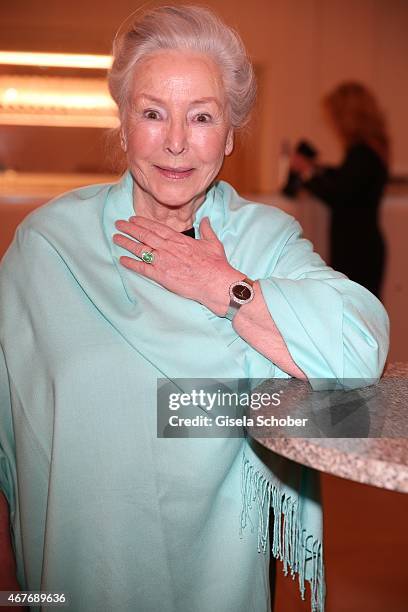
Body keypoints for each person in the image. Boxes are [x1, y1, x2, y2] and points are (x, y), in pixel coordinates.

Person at [0, 7, 389, 612]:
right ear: (124, 125)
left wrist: (222, 285)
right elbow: (7, 438)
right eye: (153, 113)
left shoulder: (264, 240)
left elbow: (357, 351)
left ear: (230, 135)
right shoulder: (47, 247)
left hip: (218, 580)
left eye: (202, 117)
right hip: (75, 571)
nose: (176, 141)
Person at [284, 82, 389, 299]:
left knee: (355, 309)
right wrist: (316, 170)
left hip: (357, 249)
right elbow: (347, 181)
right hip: (362, 245)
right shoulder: (371, 149)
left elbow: (339, 195)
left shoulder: (362, 153)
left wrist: (307, 173)